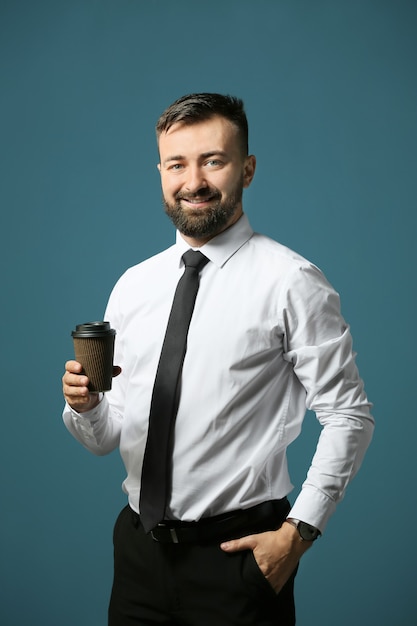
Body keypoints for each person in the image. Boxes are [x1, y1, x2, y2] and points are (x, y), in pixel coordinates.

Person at [62, 92, 374, 626]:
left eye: (214, 160)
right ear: (160, 172)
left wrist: (298, 535)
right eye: (177, 163)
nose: (194, 181)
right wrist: (87, 407)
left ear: (247, 169)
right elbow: (106, 438)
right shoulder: (133, 286)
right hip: (138, 557)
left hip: (238, 561)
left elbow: (349, 417)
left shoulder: (291, 282)